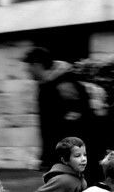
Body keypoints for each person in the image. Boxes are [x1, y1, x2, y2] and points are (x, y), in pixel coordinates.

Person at [30, 47, 101, 180]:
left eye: (29, 66)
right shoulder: (48, 85)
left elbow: (74, 125)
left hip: (72, 160)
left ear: (37, 65)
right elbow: (48, 126)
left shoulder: (64, 85)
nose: (28, 71)